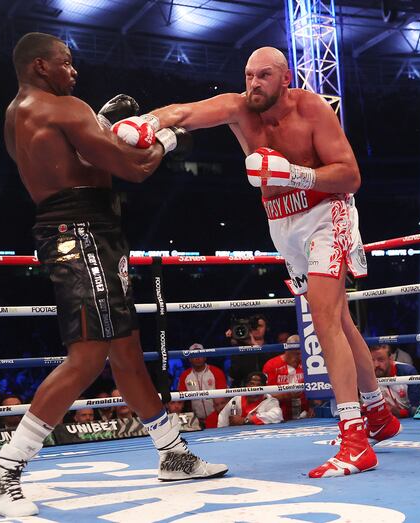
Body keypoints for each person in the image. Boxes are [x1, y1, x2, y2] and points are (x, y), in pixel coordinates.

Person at [0, 32, 226, 518]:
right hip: (81, 231)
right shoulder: (64, 108)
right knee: (89, 355)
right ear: (39, 67)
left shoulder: (16, 114)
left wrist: (104, 128)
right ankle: (2, 473)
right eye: (64, 63)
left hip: (82, 227)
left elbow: (75, 164)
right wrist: (168, 136)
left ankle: (172, 453)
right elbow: (134, 167)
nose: (73, 72)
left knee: (126, 351)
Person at [146, 46, 401, 478]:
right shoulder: (239, 109)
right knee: (338, 320)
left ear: (285, 78)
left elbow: (351, 175)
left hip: (327, 213)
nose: (253, 84)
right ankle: (377, 413)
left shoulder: (312, 108)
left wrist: (297, 174)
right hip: (283, 225)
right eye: (248, 75)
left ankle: (356, 439)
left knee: (323, 317)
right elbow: (183, 113)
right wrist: (145, 122)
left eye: (263, 75)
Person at [263, 334, 312, 420]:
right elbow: (267, 396)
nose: (299, 357)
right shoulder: (272, 365)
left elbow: (317, 387)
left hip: (306, 413)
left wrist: (313, 406)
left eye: (300, 353)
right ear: (287, 351)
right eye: (296, 354)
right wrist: (287, 395)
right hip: (280, 415)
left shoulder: (308, 363)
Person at [177, 344, 228, 421]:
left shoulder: (216, 372)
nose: (197, 358)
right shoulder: (184, 376)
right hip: (195, 419)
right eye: (194, 355)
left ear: (205, 357)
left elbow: (223, 397)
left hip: (217, 416)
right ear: (189, 359)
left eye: (200, 354)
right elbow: (181, 400)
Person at [371, 345, 420, 418]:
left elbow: (417, 409)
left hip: (412, 421)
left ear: (391, 359)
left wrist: (399, 413)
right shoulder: (367, 375)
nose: (376, 365)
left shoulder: (407, 372)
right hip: (387, 420)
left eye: (381, 360)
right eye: (372, 360)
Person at [216, 372, 283, 427]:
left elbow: (277, 415)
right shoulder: (236, 399)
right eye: (252, 384)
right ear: (246, 385)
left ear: (264, 387)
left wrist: (246, 420)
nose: (254, 387)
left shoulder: (269, 400)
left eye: (258, 385)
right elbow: (222, 418)